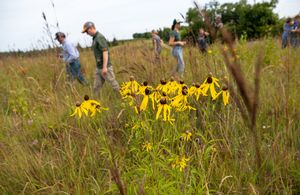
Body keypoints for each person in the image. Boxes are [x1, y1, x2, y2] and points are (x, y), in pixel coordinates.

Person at [81, 21, 120, 95]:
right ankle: (95, 103)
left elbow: (105, 52)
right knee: (96, 87)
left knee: (113, 84)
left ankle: (122, 97)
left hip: (105, 67)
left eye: (87, 31)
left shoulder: (99, 37)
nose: (87, 33)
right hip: (99, 67)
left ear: (91, 28)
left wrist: (105, 67)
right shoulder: (95, 38)